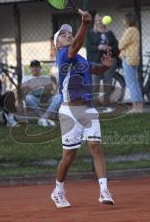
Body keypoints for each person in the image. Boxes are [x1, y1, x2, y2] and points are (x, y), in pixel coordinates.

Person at [51, 11, 114, 208]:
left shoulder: (80, 58)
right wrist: (85, 24)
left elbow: (95, 69)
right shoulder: (63, 55)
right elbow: (75, 46)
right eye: (63, 35)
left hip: (88, 109)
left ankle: (104, 190)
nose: (68, 36)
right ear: (57, 44)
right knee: (69, 156)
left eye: (69, 33)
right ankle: (58, 190)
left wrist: (105, 66)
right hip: (69, 112)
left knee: (95, 147)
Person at [21, 60, 61, 126]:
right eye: (33, 67)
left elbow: (49, 89)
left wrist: (33, 87)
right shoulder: (26, 78)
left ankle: (44, 118)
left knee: (58, 97)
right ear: (30, 68)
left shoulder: (46, 77)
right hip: (34, 99)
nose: (34, 69)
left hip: (46, 98)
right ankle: (43, 117)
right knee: (28, 98)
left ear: (40, 68)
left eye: (36, 67)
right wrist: (41, 87)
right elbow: (25, 91)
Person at [119, 13, 143, 113]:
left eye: (124, 20)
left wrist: (121, 48)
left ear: (128, 20)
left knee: (131, 83)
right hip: (134, 58)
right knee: (135, 83)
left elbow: (121, 44)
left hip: (128, 59)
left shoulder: (129, 30)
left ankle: (135, 107)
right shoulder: (136, 30)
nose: (123, 21)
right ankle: (139, 107)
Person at [87, 13, 119, 88]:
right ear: (95, 22)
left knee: (107, 83)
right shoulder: (91, 33)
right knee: (95, 83)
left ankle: (106, 99)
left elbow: (116, 46)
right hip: (95, 61)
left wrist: (109, 48)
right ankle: (95, 100)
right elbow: (89, 47)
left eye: (102, 20)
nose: (100, 22)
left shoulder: (109, 33)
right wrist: (98, 47)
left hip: (108, 61)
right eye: (98, 20)